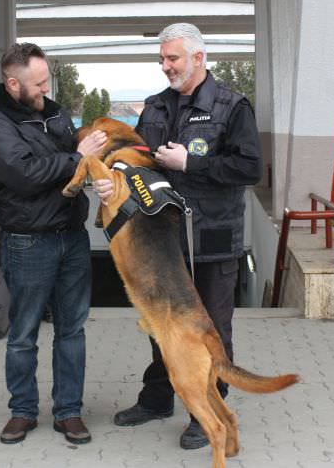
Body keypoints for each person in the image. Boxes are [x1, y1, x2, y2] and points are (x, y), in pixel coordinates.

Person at [93, 23, 262, 449]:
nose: (166, 66)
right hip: (162, 237)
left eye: (174, 59)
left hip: (213, 239)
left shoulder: (232, 107)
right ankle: (157, 398)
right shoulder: (154, 107)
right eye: (163, 59)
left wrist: (192, 164)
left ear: (199, 58)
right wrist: (114, 178)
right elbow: (139, 162)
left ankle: (206, 408)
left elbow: (249, 168)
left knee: (213, 327)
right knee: (159, 323)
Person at [0, 43, 106, 446]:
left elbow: (72, 162)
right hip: (27, 243)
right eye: (39, 82)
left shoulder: (55, 115)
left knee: (72, 329)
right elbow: (24, 174)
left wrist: (95, 170)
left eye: (47, 80)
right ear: (13, 83)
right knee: (24, 333)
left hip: (72, 237)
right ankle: (23, 411)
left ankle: (69, 411)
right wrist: (76, 159)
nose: (46, 88)